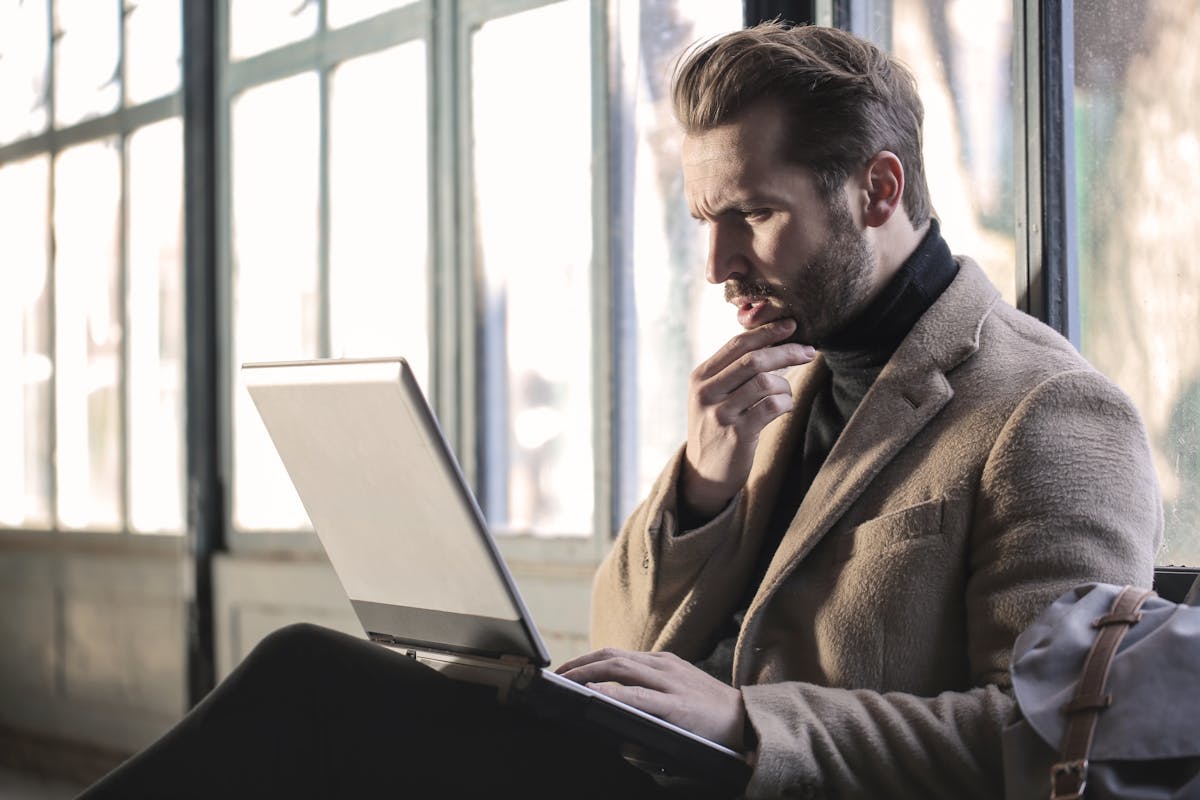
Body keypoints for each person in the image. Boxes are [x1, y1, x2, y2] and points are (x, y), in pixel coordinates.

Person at [77, 21, 1161, 800]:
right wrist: (699, 486)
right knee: (314, 682)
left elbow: (1050, 741)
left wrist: (746, 722)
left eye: (752, 214)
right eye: (705, 219)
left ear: (877, 192)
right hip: (642, 769)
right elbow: (622, 643)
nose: (718, 263)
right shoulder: (778, 377)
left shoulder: (1051, 411)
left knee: (312, 693)